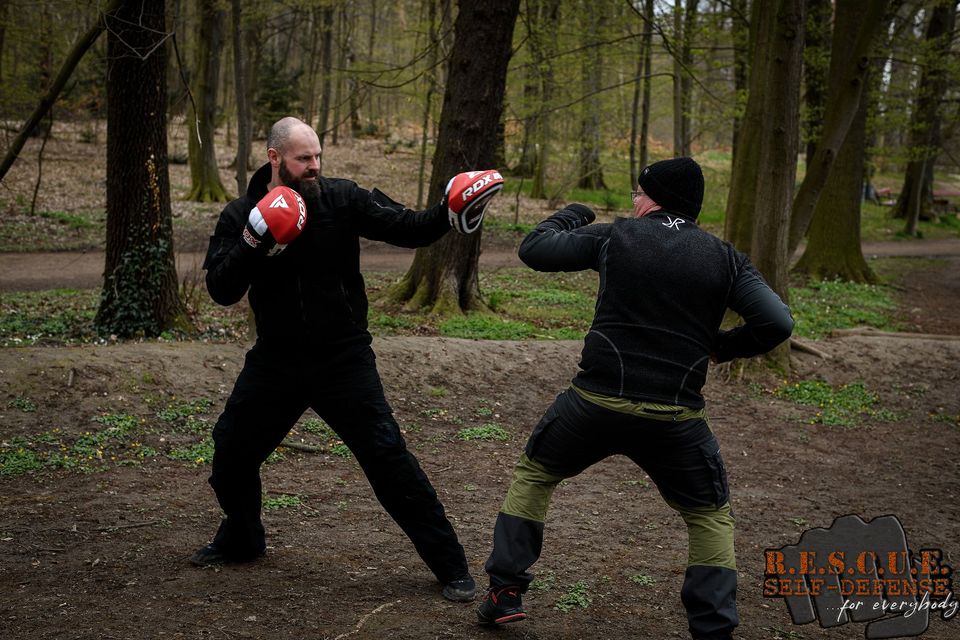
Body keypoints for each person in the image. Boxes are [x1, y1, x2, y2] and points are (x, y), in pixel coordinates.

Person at [477, 157, 794, 638]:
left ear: (656, 199)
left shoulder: (617, 237)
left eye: (638, 193)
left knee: (537, 473)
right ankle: (714, 630)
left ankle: (504, 593)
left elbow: (535, 248)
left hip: (593, 405)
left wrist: (572, 215)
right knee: (709, 516)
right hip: (676, 417)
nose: (634, 201)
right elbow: (778, 323)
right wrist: (722, 347)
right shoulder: (726, 258)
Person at [193, 116, 502, 603]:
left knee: (388, 460)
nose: (314, 166)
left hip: (343, 360)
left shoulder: (343, 197)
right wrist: (255, 240)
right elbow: (220, 289)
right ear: (275, 158)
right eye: (303, 159)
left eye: (317, 156)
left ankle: (451, 566)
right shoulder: (239, 214)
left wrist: (450, 208)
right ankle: (243, 538)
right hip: (276, 361)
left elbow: (411, 228)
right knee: (231, 452)